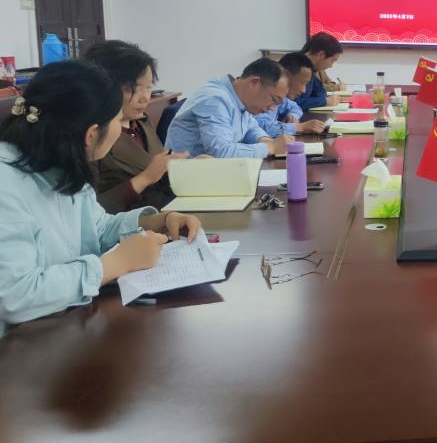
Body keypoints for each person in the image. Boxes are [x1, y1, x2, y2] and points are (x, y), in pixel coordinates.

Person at [0, 61, 203, 337]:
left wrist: (158, 221)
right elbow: (16, 296)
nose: (122, 129)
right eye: (118, 121)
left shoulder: (60, 159)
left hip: (64, 328)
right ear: (91, 134)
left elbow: (95, 228)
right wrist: (114, 265)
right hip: (19, 348)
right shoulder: (7, 183)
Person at [85, 40, 183, 213]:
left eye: (149, 87)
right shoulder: (92, 136)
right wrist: (144, 179)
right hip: (132, 221)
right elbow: (89, 210)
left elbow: (160, 173)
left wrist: (191, 169)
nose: (145, 97)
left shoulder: (141, 121)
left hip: (166, 211)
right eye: (133, 89)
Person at [165, 58, 293, 158]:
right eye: (274, 100)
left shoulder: (240, 98)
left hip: (210, 173)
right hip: (185, 177)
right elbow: (220, 152)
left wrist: (265, 140)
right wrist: (271, 148)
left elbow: (251, 128)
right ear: (254, 82)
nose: (272, 108)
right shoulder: (215, 100)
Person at [254, 52, 326, 137]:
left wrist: (292, 115)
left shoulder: (281, 98)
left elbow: (295, 107)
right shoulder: (264, 93)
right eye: (302, 83)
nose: (304, 90)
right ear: (286, 75)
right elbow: (261, 126)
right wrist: (300, 127)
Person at [293, 32, 344, 111]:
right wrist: (325, 101)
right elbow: (295, 102)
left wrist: (322, 100)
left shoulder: (312, 69)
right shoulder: (296, 67)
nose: (331, 66)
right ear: (321, 55)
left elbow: (321, 92)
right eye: (332, 60)